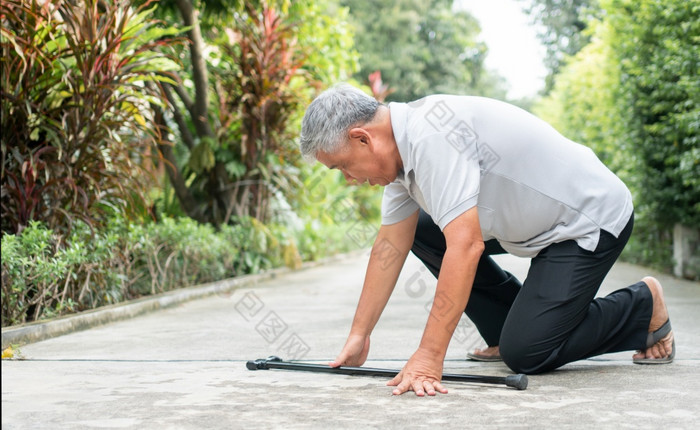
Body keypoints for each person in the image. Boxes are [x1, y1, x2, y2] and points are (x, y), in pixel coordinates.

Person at [299, 84, 675, 397]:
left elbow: (466, 245)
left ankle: (641, 306)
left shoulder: (432, 134)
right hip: (534, 225)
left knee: (527, 353)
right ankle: (503, 326)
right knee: (422, 230)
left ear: (362, 139)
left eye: (342, 166)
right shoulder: (401, 155)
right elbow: (389, 246)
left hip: (587, 222)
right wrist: (359, 335)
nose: (349, 178)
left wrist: (430, 356)